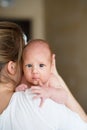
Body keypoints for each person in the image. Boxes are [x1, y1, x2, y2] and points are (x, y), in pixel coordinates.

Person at [0, 21, 87, 130]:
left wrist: (51, 89)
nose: (34, 71)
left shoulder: (48, 83)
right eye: (27, 65)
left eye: (41, 65)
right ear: (12, 67)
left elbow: (62, 96)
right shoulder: (37, 102)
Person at [16, 39, 87, 122]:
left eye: (41, 65)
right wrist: (18, 90)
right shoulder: (24, 79)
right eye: (29, 65)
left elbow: (64, 96)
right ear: (22, 65)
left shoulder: (51, 79)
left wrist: (50, 92)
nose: (34, 71)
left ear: (51, 64)